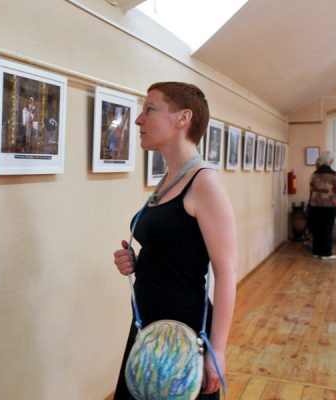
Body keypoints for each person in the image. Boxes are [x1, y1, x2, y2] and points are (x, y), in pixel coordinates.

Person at [112, 82, 238, 399]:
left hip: (182, 336)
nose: (139, 119)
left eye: (149, 109)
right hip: (149, 328)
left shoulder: (204, 181)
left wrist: (217, 350)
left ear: (183, 118)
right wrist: (137, 262)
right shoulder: (170, 177)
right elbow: (176, 250)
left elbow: (226, 273)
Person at [308, 151, 336, 259]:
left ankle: (316, 251)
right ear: (330, 161)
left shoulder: (314, 174)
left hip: (315, 205)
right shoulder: (333, 175)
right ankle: (326, 253)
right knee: (327, 229)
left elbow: (311, 188)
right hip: (329, 206)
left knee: (317, 228)